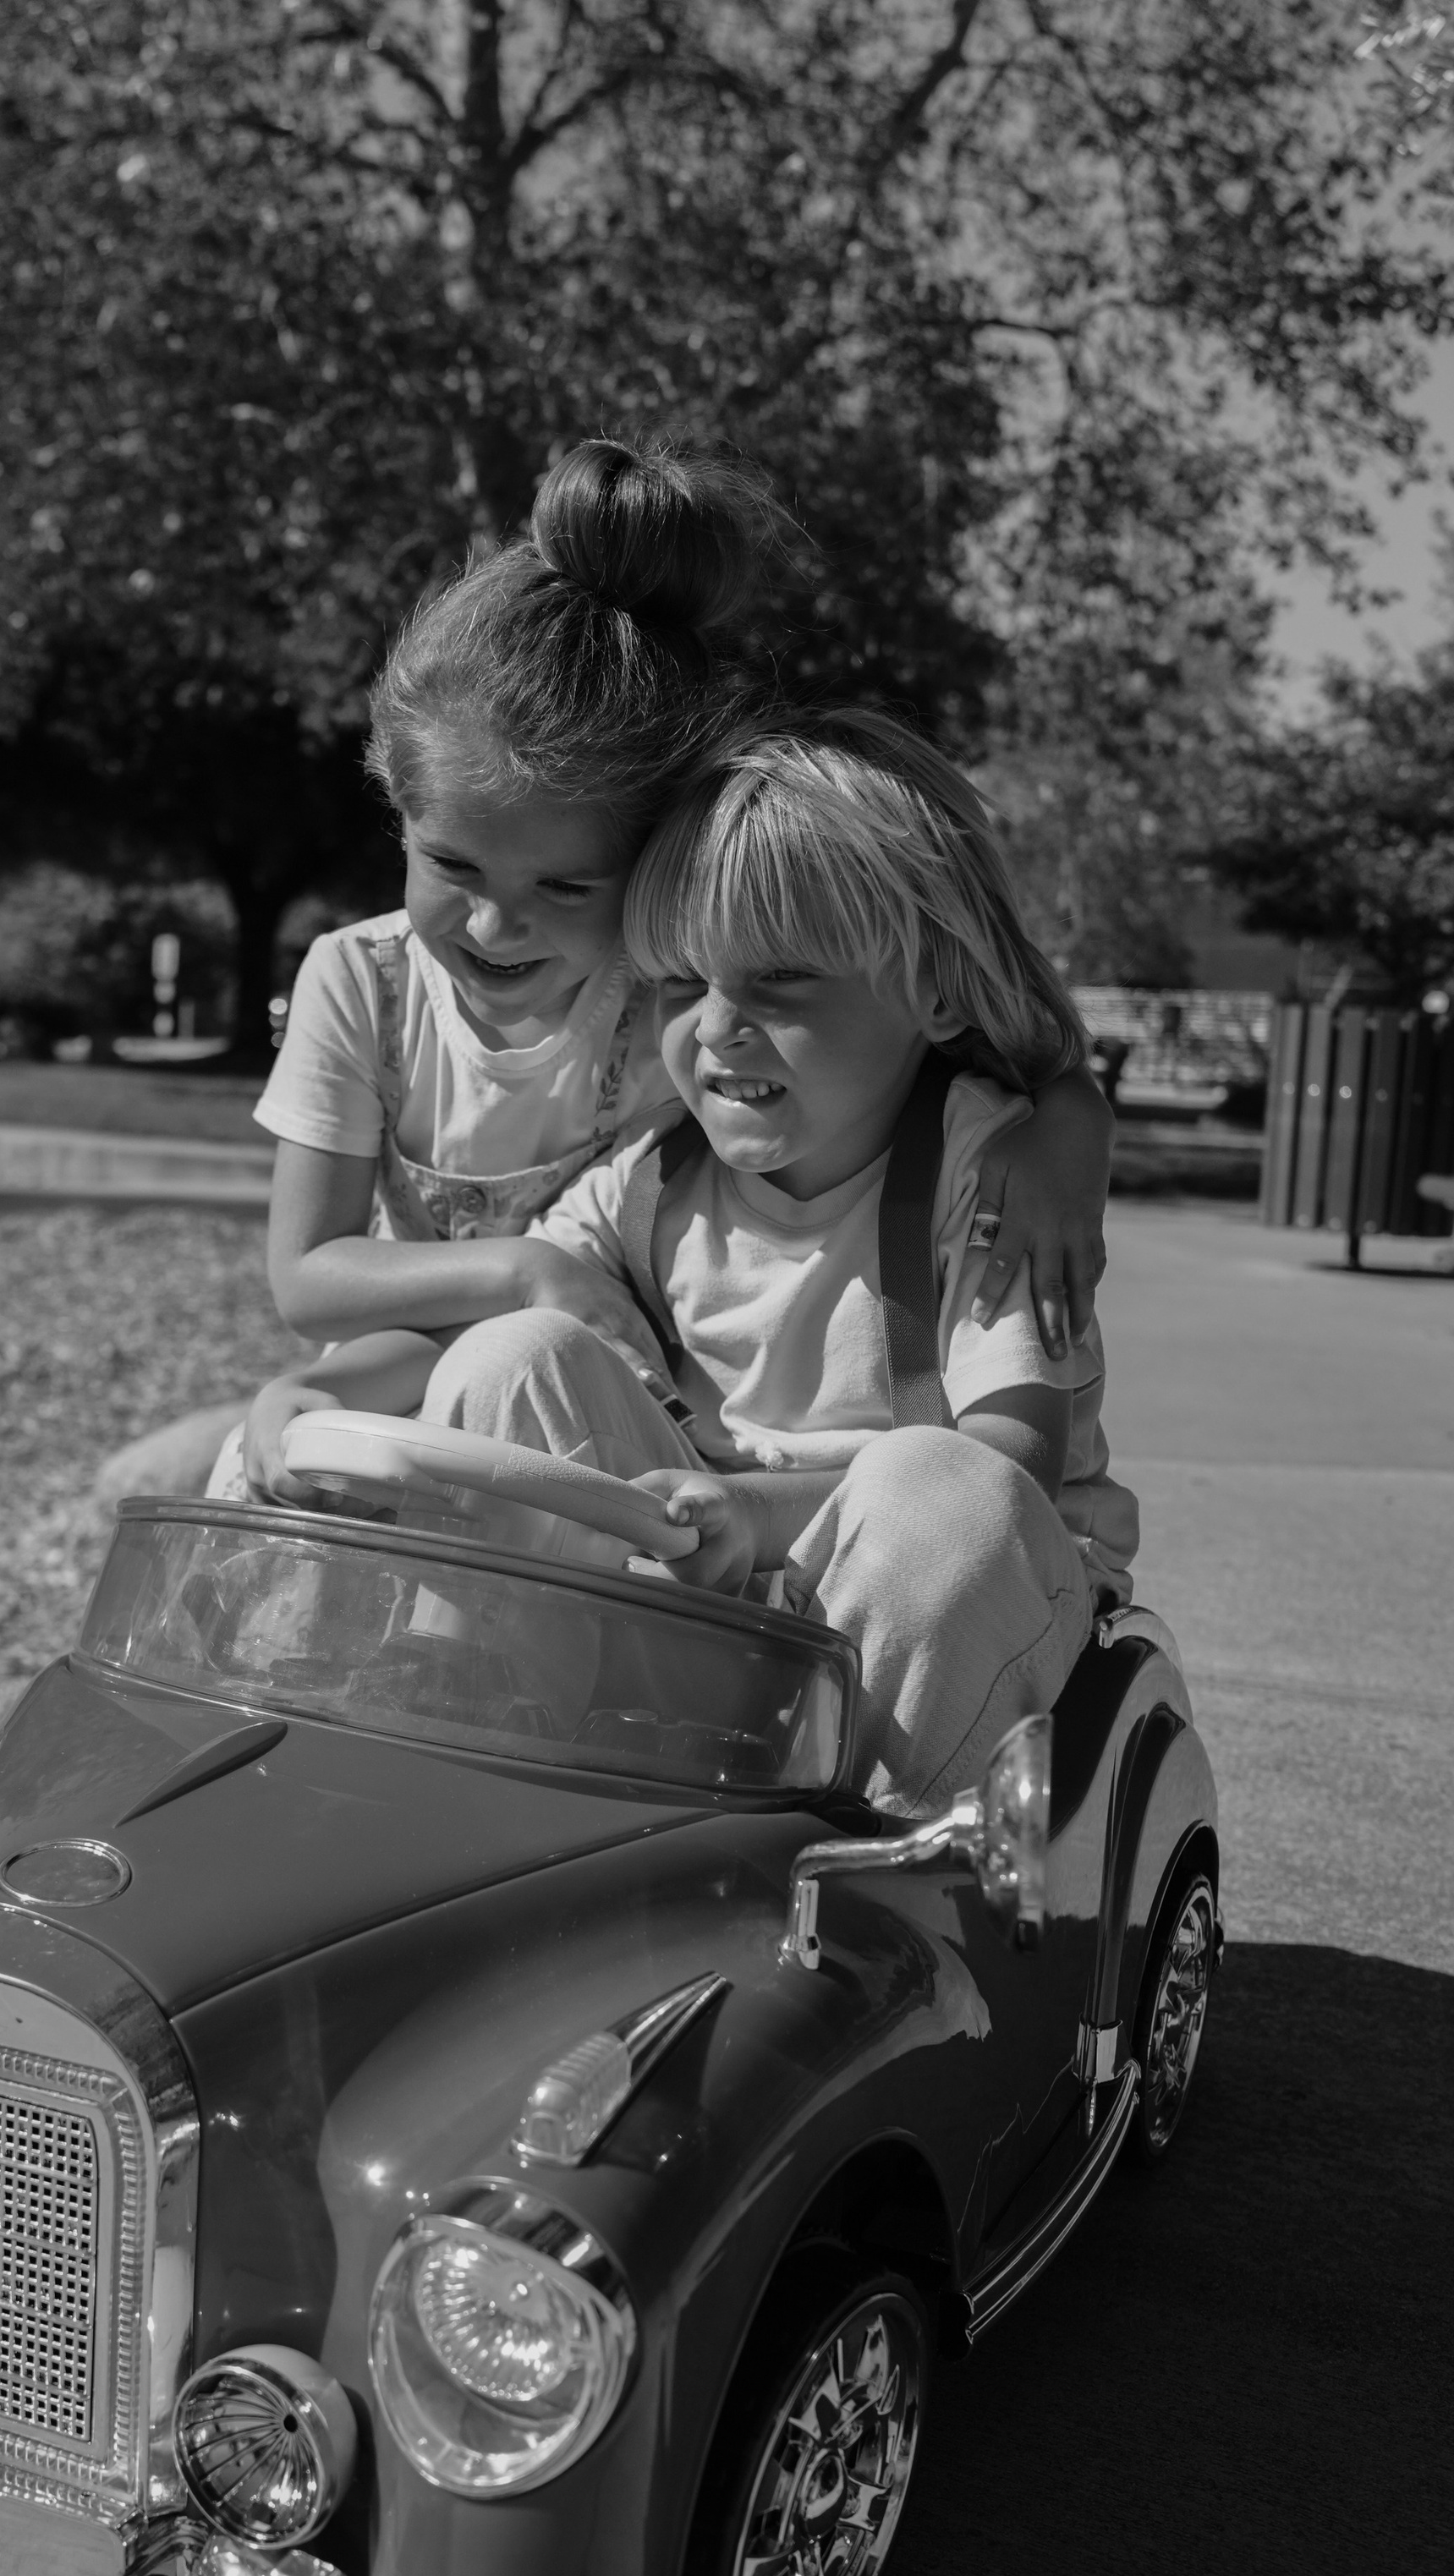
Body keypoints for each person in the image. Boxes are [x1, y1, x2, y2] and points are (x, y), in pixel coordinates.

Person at [102, 436, 1111, 1502]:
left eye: (568, 889)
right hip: (435, 1371)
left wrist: (1064, 1122)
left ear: (653, 875)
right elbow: (307, 1275)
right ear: (391, 807)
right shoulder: (367, 982)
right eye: (450, 862)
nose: (495, 925)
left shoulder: (675, 989)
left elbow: (920, 1000)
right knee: (261, 1474)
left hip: (621, 1422)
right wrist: (525, 1276)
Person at [242, 707, 1140, 1814]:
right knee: (514, 1352)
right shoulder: (657, 1176)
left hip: (959, 1636)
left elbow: (1014, 1462)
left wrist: (753, 1514)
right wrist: (313, 1392)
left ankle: (864, 1852)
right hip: (737, 1617)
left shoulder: (988, 1172)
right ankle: (478, 1762)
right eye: (678, 984)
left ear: (937, 993)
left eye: (780, 984)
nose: (716, 1028)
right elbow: (448, 1342)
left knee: (937, 1487)